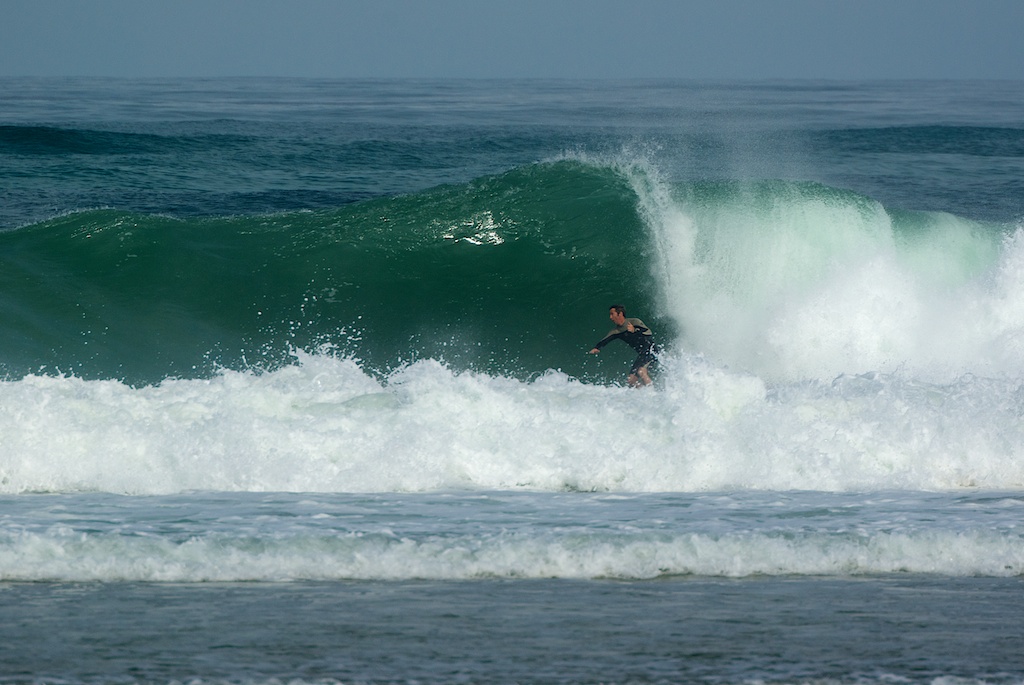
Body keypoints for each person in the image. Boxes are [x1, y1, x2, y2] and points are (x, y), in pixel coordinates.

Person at [588, 304, 659, 387]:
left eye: (612, 314)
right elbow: (605, 340)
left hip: (651, 351)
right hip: (642, 355)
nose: (610, 317)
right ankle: (644, 394)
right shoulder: (617, 331)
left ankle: (652, 393)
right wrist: (597, 348)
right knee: (631, 380)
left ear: (620, 314)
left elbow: (648, 332)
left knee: (641, 371)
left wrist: (635, 330)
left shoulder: (634, 322)